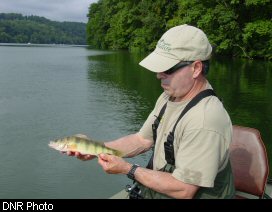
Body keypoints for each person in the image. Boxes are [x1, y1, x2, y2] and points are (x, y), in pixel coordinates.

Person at [66, 24, 235, 199]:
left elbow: (184, 190)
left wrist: (128, 169)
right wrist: (96, 149)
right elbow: (142, 139)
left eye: (168, 69)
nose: (158, 75)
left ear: (196, 68)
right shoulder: (169, 96)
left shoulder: (205, 120)